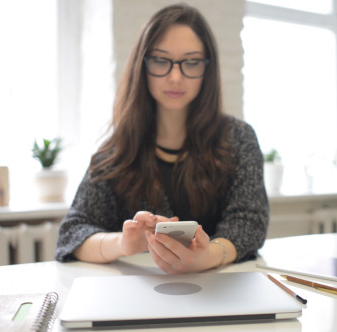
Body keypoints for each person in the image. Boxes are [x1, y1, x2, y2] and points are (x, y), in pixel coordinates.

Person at [55, 3, 268, 274]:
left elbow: (249, 223)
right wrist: (124, 243)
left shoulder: (239, 139)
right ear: (142, 66)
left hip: (220, 291)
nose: (175, 77)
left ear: (207, 69)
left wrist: (209, 255)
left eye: (190, 62)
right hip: (140, 298)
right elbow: (73, 233)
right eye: (160, 61)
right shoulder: (118, 150)